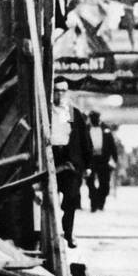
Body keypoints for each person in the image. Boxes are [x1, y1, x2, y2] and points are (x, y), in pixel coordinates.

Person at [49, 79, 92, 249]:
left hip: (71, 160)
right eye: (57, 90)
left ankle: (68, 231)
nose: (60, 94)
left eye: (63, 91)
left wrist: (87, 164)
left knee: (71, 198)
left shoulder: (72, 112)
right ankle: (51, 233)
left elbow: (84, 139)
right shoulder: (46, 110)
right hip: (52, 158)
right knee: (50, 198)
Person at [85, 111, 119, 212]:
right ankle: (93, 204)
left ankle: (100, 202)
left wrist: (114, 160)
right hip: (90, 160)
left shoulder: (106, 129)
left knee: (105, 185)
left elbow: (112, 146)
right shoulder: (86, 129)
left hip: (103, 160)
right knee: (90, 183)